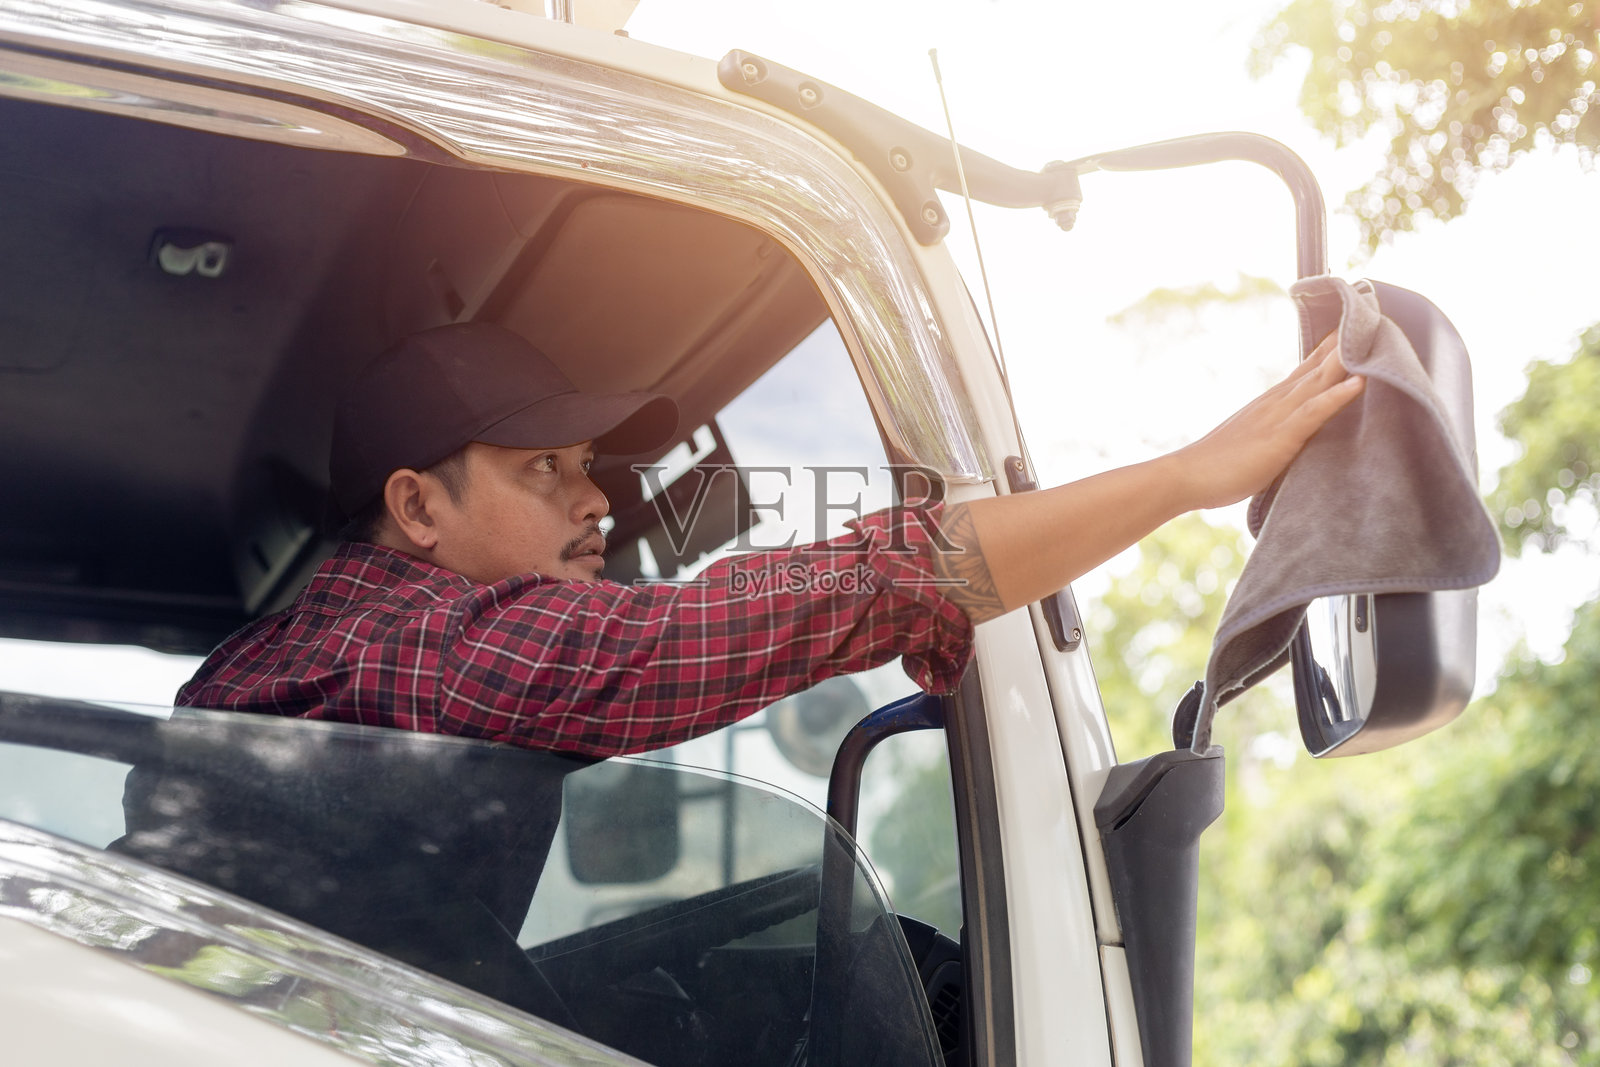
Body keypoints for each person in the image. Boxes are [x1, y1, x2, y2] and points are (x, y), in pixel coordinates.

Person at [177, 322, 1363, 757]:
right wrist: (1184, 477)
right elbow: (831, 593)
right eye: (545, 468)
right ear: (417, 508)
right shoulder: (446, 651)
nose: (596, 503)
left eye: (589, 467)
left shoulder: (252, 665)